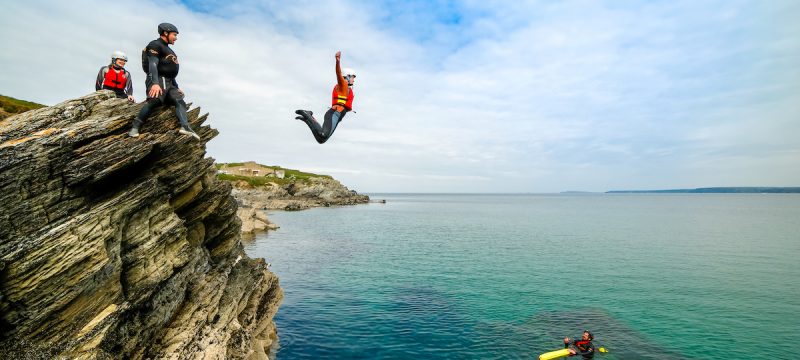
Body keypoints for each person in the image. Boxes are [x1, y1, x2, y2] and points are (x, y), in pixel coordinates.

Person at [128, 23, 199, 140]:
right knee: (154, 101)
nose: (176, 38)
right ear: (165, 33)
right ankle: (135, 127)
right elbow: (153, 64)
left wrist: (176, 86)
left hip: (170, 82)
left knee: (180, 101)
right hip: (158, 79)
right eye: (174, 35)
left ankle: (185, 127)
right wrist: (155, 83)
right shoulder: (155, 45)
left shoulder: (169, 49)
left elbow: (170, 71)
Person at [295, 51, 356, 144]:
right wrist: (337, 61)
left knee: (321, 140)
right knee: (323, 135)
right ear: (347, 76)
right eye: (352, 77)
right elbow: (338, 74)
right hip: (334, 113)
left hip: (338, 115)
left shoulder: (347, 89)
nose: (354, 79)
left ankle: (307, 119)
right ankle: (307, 114)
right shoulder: (343, 84)